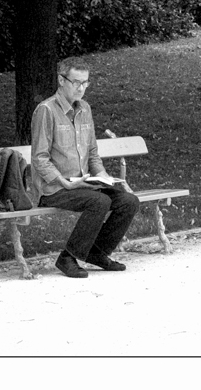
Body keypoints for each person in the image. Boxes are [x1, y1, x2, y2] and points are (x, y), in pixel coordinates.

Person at [30, 56, 140, 278]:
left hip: (83, 185)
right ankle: (67, 257)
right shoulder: (46, 110)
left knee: (128, 201)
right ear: (61, 80)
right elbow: (39, 158)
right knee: (99, 201)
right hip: (54, 189)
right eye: (76, 82)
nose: (81, 88)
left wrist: (104, 177)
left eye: (85, 83)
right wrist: (64, 182)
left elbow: (92, 153)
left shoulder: (85, 109)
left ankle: (96, 253)